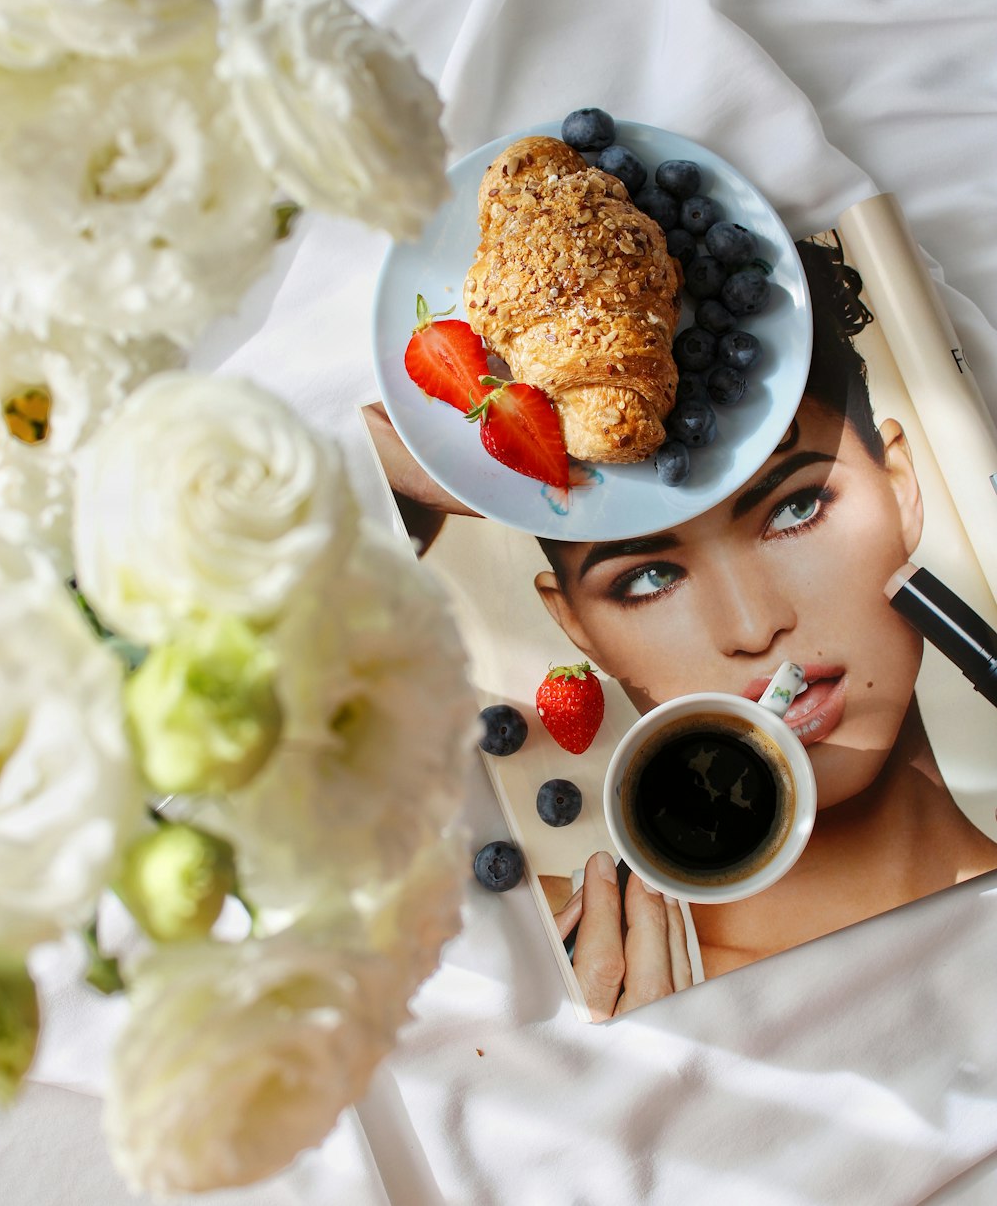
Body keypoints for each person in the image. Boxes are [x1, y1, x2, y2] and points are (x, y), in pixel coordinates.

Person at [364, 235, 997, 1017]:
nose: (756, 625)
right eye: (649, 576)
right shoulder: (527, 969)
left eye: (795, 508)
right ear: (575, 627)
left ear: (901, 488)